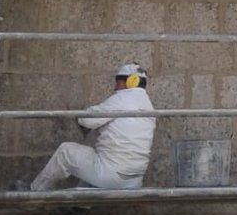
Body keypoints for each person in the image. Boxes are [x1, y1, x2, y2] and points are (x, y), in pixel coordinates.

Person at [30, 62, 154, 192]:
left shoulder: (123, 98)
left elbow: (87, 120)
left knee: (65, 151)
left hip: (113, 177)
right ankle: (78, 207)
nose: (115, 87)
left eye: (117, 81)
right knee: (94, 160)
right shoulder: (148, 105)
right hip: (134, 182)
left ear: (130, 81)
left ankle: (35, 193)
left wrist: (82, 113)